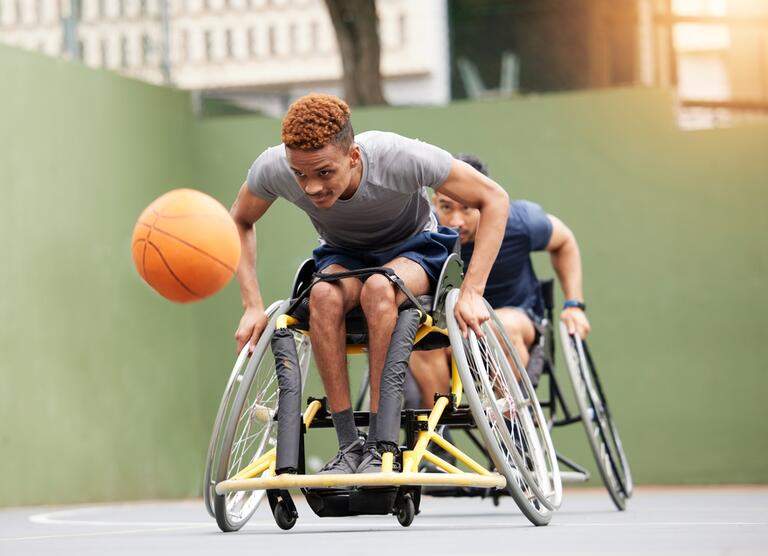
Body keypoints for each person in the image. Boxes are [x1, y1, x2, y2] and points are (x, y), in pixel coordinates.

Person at [230, 95, 509, 474]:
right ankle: (349, 446)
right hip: (343, 253)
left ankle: (382, 442)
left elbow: (494, 198)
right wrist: (251, 305)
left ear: (354, 157)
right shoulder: (274, 167)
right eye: (301, 175)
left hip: (415, 248)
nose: (310, 187)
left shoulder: (398, 157)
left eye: (324, 173)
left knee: (379, 287)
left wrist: (473, 292)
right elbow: (239, 221)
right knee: (322, 295)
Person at [409, 153, 591, 409]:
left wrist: (574, 304)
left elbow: (564, 241)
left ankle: (508, 432)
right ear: (435, 201)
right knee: (421, 340)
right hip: (453, 334)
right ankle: (441, 440)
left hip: (518, 321)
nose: (456, 221)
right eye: (447, 207)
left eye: (467, 208)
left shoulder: (519, 222)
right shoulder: (425, 230)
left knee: (499, 326)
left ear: (484, 202)